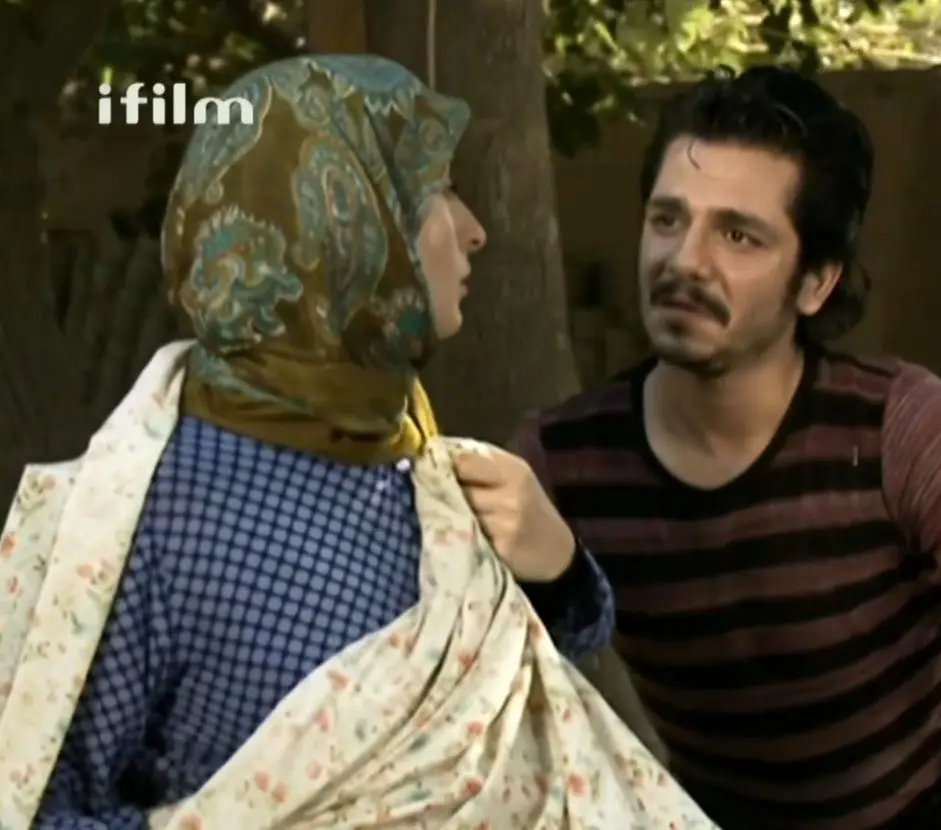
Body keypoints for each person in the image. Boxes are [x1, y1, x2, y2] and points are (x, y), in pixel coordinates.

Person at [509, 67, 941, 829]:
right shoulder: (562, 464)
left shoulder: (907, 431)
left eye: (738, 236)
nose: (686, 261)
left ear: (815, 282)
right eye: (668, 220)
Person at [12, 54, 619, 828]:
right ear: (344, 226)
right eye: (436, 192)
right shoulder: (145, 520)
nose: (474, 231)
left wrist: (560, 568)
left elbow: (522, 704)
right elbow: (35, 802)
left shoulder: (420, 464)